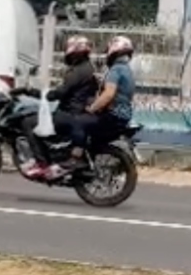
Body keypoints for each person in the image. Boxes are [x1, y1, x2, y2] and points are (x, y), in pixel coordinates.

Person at [9, 35, 99, 176]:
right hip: (76, 113)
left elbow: (58, 94)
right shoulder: (88, 68)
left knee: (27, 123)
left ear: (73, 51)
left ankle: (41, 163)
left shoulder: (78, 71)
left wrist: (31, 91)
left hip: (69, 114)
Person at [56, 35, 136, 175]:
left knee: (79, 122)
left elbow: (108, 94)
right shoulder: (127, 70)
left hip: (113, 116)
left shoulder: (116, 70)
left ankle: (76, 158)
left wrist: (93, 108)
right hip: (123, 116)